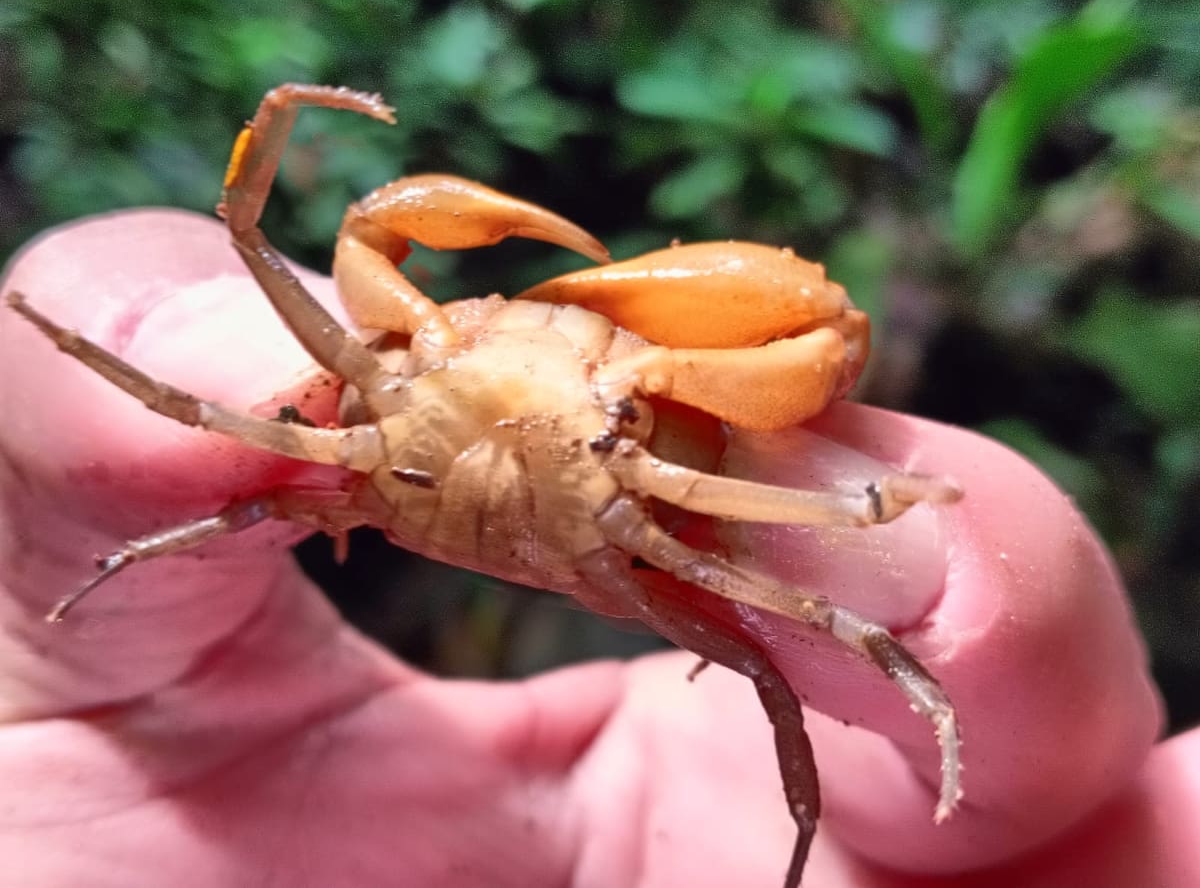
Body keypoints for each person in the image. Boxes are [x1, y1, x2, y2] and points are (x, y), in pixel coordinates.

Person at [0, 210, 1195, 887]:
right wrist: (74, 345)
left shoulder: (653, 431)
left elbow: (842, 535)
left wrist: (899, 530)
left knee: (797, 643)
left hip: (621, 526)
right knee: (210, 411)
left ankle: (799, 847)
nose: (550, 324)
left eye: (579, 316)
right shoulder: (365, 383)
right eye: (496, 320)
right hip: (436, 492)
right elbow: (217, 340)